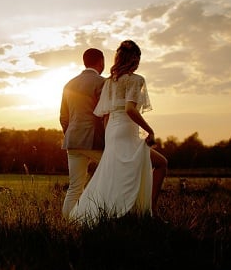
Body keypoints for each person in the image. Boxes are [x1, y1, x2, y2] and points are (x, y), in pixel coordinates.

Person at [69, 40, 168, 224]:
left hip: (113, 132)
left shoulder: (110, 82)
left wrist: (109, 137)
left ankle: (123, 212)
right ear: (134, 59)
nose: (138, 62)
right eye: (138, 58)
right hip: (125, 130)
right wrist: (150, 130)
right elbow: (130, 109)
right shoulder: (136, 80)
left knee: (117, 172)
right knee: (161, 163)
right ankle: (150, 212)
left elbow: (105, 115)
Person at [60, 48, 106, 217]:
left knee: (74, 187)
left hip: (72, 141)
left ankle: (67, 224)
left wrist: (71, 133)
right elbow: (104, 114)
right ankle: (102, 216)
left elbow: (63, 117)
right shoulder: (102, 82)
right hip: (93, 140)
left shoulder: (68, 84)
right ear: (100, 61)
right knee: (112, 174)